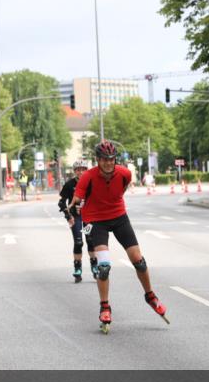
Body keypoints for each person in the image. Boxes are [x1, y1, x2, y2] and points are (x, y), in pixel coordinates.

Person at [70, 140, 169, 333]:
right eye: (104, 159)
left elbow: (120, 191)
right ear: (97, 160)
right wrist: (74, 205)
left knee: (138, 260)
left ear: (115, 159)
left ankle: (151, 296)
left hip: (118, 216)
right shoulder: (87, 177)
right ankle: (105, 307)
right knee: (104, 266)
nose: (108, 163)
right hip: (96, 221)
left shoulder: (125, 173)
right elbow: (78, 198)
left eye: (111, 159)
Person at [58, 160, 97, 283]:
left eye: (83, 169)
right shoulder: (70, 184)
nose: (81, 172)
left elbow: (98, 200)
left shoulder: (92, 183)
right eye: (78, 169)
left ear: (87, 170)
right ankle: (78, 268)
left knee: (90, 240)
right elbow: (61, 202)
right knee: (78, 242)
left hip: (89, 217)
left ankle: (94, 266)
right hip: (76, 217)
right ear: (75, 171)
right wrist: (68, 215)